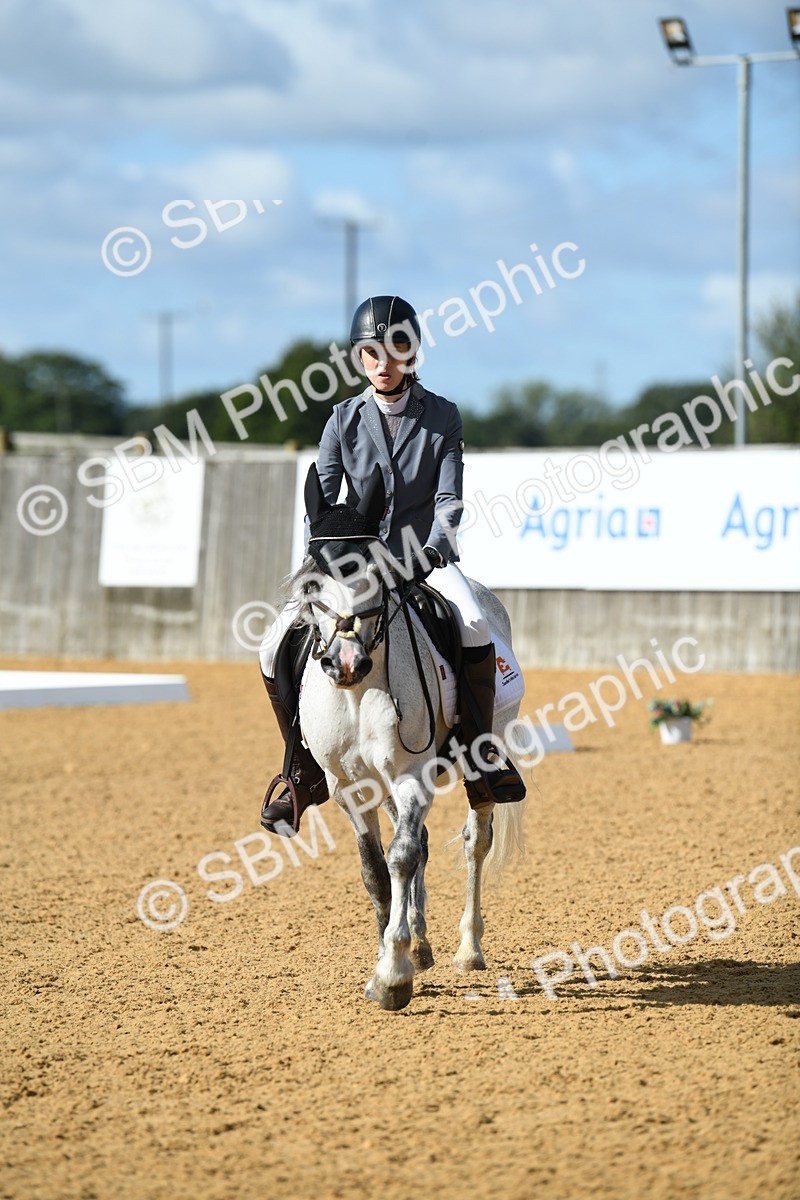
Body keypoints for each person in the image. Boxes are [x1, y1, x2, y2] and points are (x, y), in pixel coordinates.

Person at [259, 294, 525, 835]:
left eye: (396, 348)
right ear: (360, 359)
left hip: (420, 558)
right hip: (351, 566)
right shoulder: (342, 419)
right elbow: (326, 501)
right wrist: (327, 561)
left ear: (413, 353)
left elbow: (449, 500)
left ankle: (479, 756)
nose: (384, 362)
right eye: (371, 352)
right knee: (273, 641)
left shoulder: (442, 417)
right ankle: (300, 769)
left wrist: (433, 549)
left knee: (474, 622)